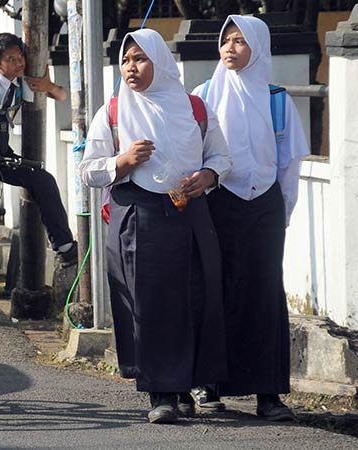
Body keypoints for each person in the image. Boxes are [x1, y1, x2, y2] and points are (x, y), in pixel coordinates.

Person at [78, 28, 231, 424]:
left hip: (190, 214)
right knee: (151, 305)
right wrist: (123, 162)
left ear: (161, 63)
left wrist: (209, 176)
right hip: (138, 216)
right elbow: (89, 171)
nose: (131, 67)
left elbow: (220, 155)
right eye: (126, 60)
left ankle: (188, 388)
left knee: (196, 298)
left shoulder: (195, 108)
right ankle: (160, 394)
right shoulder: (112, 111)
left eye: (140, 59)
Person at [188, 15, 310, 422]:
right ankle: (208, 385)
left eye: (240, 41)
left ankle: (267, 392)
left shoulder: (277, 99)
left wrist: (282, 213)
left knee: (263, 295)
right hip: (217, 201)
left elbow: (289, 164)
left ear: (258, 47)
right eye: (226, 40)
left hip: (265, 207)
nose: (229, 48)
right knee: (213, 288)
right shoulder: (203, 95)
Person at [0, 32, 77, 267]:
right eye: (11, 59)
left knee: (42, 179)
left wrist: (49, 86)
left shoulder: (20, 83)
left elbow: (63, 95)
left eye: (20, 57)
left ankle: (65, 247)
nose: (19, 63)